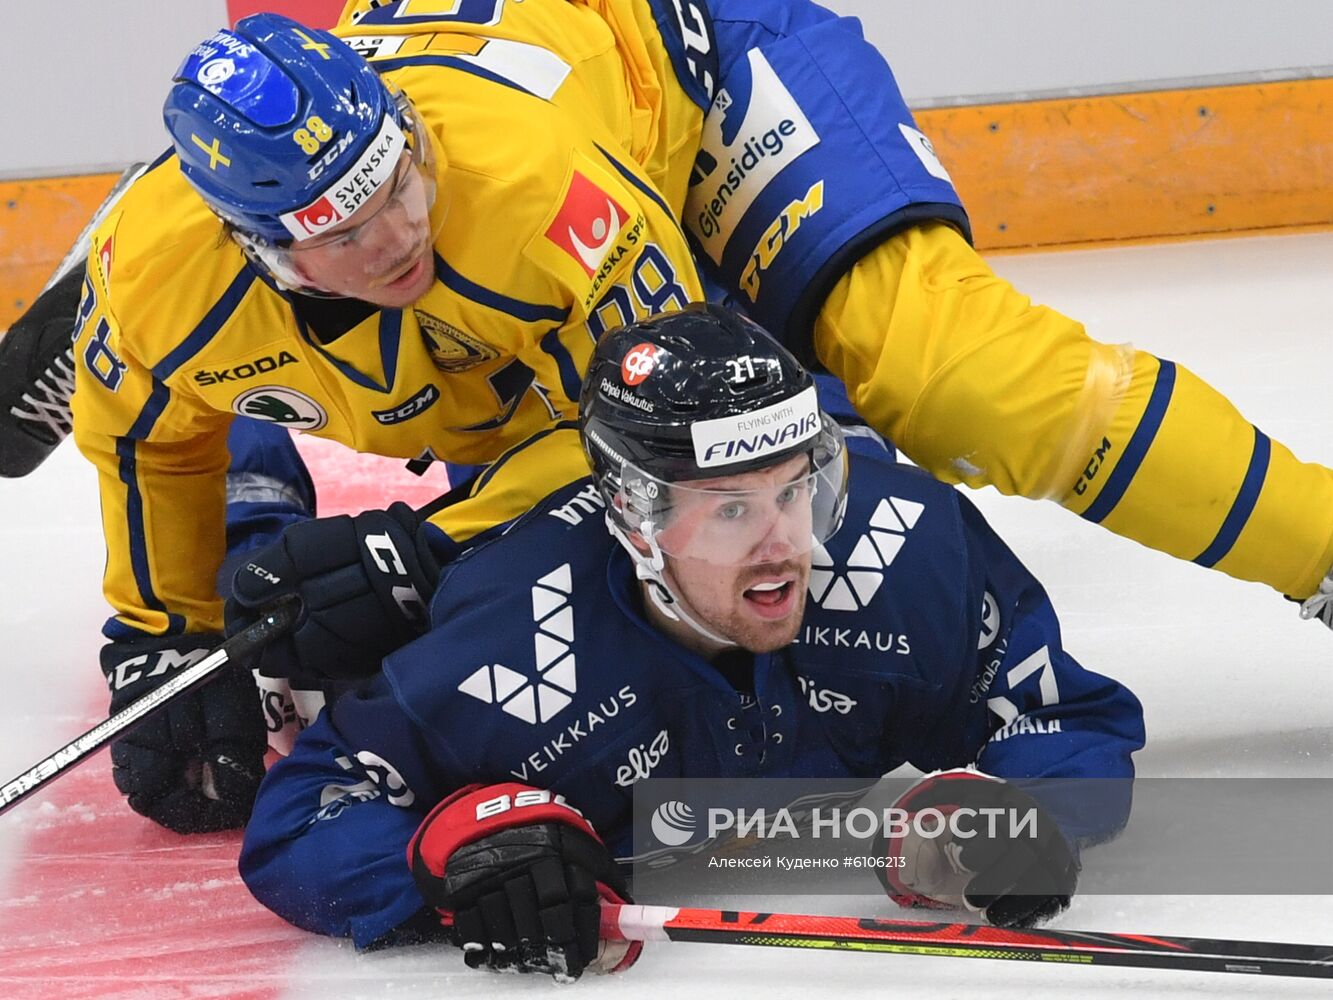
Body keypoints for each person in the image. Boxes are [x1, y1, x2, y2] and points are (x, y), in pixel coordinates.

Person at [18, 2, 1318, 832]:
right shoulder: (172, 288)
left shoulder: (515, 195)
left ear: (405, 134)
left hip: (701, 82)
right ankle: (269, 451)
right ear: (258, 247)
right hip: (483, 284)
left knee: (945, 372)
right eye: (354, 225)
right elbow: (140, 439)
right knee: (447, 439)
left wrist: (418, 547)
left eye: (400, 175)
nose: (407, 226)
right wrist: (162, 624)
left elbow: (687, 419)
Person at [236, 305, 1145, 982]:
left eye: (798, 490)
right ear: (636, 521)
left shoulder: (901, 547)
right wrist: (454, 852)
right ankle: (252, 472)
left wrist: (1026, 803)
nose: (788, 543)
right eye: (732, 510)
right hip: (469, 540)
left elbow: (1064, 712)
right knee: (236, 675)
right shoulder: (515, 649)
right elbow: (299, 815)